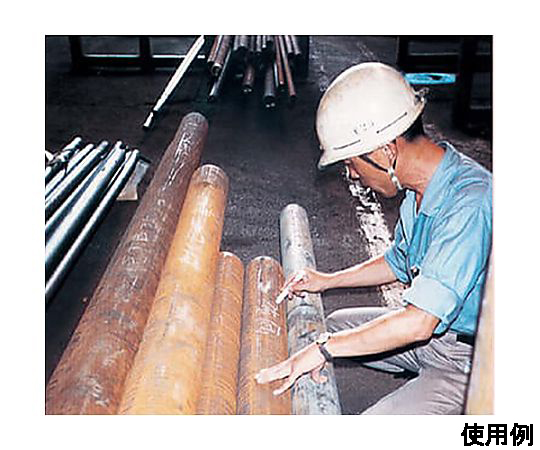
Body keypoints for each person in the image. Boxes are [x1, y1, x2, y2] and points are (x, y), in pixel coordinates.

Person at [255, 62, 492, 414]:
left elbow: (419, 322)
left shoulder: (469, 204)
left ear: (386, 151)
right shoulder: (421, 188)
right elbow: (398, 262)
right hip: (437, 337)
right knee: (332, 326)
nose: (351, 175)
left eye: (351, 163)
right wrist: (327, 281)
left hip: (471, 360)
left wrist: (324, 349)